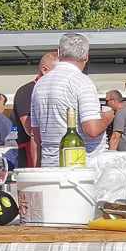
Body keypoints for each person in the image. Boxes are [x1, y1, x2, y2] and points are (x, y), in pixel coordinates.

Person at [31, 33, 106, 166]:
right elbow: (92, 129)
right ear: (86, 56)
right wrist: (108, 116)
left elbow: (36, 136)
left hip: (49, 165)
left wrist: (37, 169)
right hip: (81, 166)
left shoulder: (40, 84)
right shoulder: (82, 81)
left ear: (59, 53)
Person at [14, 51, 57, 168]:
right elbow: (30, 129)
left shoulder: (56, 90)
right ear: (44, 70)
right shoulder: (26, 91)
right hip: (31, 153)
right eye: (58, 72)